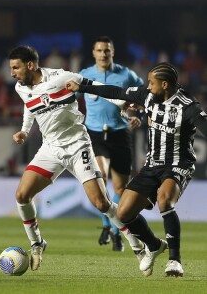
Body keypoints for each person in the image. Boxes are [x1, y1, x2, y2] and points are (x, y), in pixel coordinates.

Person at [8, 45, 151, 274]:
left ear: (30, 65)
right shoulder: (20, 87)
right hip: (50, 148)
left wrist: (123, 103)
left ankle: (138, 246)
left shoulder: (60, 77)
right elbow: (30, 106)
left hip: (77, 146)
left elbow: (96, 87)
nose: (12, 73)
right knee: (22, 195)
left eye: (16, 68)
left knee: (101, 203)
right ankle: (37, 243)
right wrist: (25, 131)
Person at [66, 62, 207, 277]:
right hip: (152, 165)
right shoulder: (148, 96)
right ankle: (153, 245)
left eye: (152, 83)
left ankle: (174, 260)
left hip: (178, 164)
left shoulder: (188, 106)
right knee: (123, 213)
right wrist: (82, 87)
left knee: (164, 199)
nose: (148, 87)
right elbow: (116, 91)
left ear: (165, 84)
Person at [77, 36, 143, 251]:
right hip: (95, 135)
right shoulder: (85, 75)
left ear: (112, 52)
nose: (103, 54)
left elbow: (144, 94)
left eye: (107, 50)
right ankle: (107, 225)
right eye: (99, 50)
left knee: (121, 187)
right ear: (93, 53)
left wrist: (135, 113)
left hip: (120, 133)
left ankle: (115, 230)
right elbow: (68, 96)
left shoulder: (126, 75)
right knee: (100, 178)